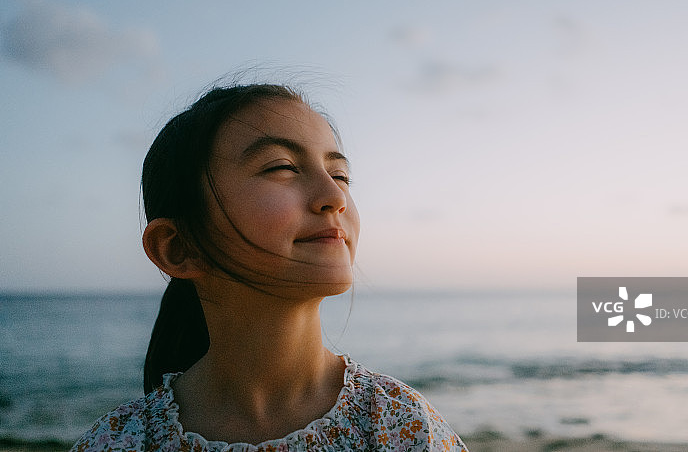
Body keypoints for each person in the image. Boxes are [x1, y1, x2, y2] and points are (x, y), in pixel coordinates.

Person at [71, 83, 468, 451]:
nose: (335, 196)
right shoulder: (119, 442)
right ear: (179, 248)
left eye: (340, 174)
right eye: (282, 167)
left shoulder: (398, 425)